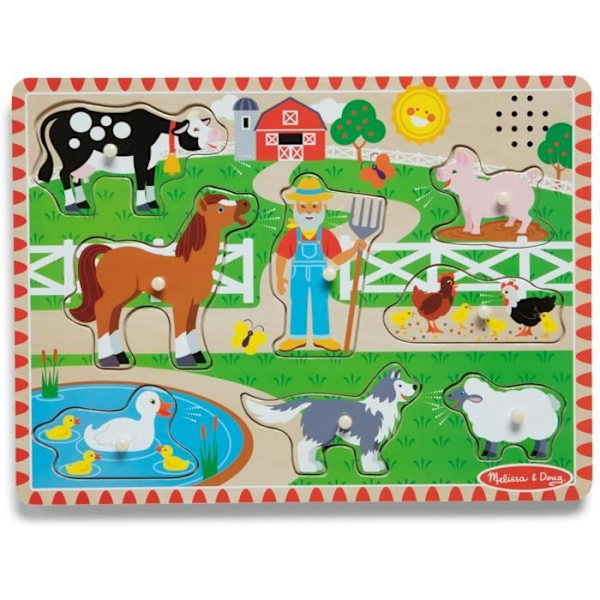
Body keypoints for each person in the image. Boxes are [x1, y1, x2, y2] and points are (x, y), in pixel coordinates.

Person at [275, 175, 366, 352]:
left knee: (320, 304)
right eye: (303, 206)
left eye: (314, 206)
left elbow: (337, 258)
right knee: (298, 304)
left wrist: (354, 249)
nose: (309, 211)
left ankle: (322, 337)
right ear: (294, 208)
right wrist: (280, 277)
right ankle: (296, 337)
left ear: (323, 207)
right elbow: (281, 256)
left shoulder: (326, 236)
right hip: (298, 276)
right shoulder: (292, 236)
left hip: (321, 276)